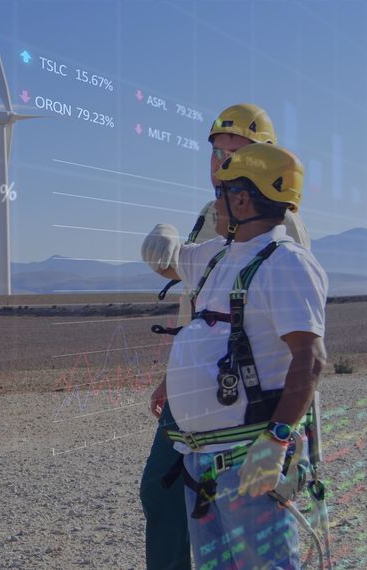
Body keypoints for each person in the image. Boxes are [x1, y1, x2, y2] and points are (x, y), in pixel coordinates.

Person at [146, 142, 327, 569]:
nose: (215, 204)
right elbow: (171, 263)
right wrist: (162, 240)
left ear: (243, 199)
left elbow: (310, 359)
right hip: (203, 465)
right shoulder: (219, 256)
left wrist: (277, 440)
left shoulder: (286, 264)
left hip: (249, 465)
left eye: (221, 194)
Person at [138, 103, 281, 570]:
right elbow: (197, 293)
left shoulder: (279, 225)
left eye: (234, 153)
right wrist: (172, 379)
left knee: (237, 517)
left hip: (241, 395)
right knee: (163, 490)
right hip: (196, 385)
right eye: (217, 153)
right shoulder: (211, 213)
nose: (222, 164)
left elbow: (289, 328)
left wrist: (281, 430)